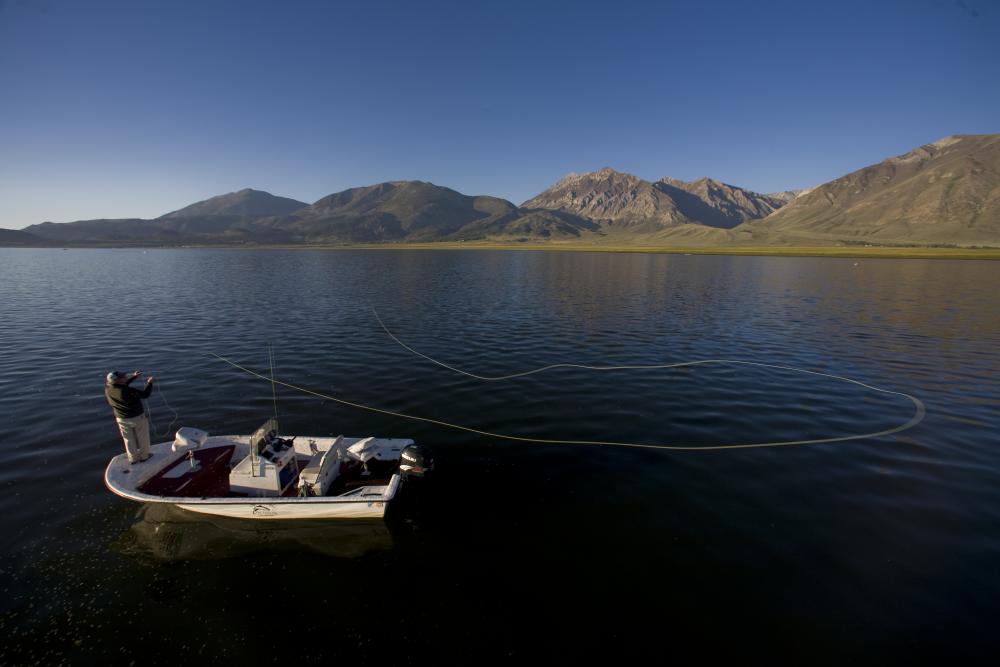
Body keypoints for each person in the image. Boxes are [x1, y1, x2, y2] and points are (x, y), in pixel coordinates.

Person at [105, 370, 155, 464]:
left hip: (121, 419)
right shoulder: (127, 391)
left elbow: (121, 385)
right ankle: (144, 456)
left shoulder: (108, 388)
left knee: (128, 439)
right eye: (123, 377)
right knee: (142, 437)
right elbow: (145, 394)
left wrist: (134, 377)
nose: (125, 377)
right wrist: (150, 383)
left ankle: (133, 459)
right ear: (119, 380)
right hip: (136, 417)